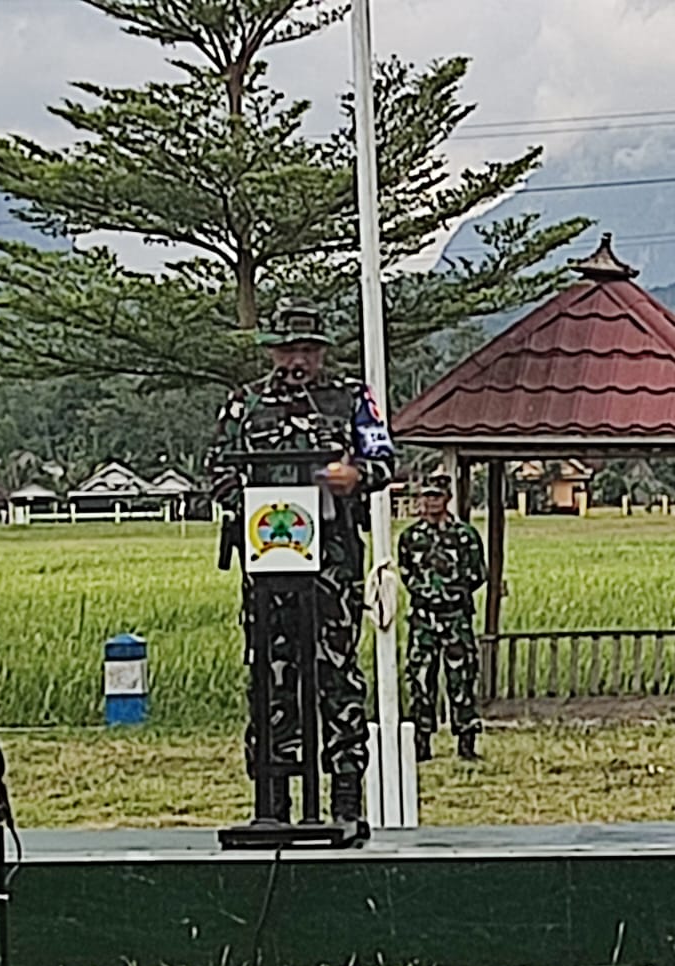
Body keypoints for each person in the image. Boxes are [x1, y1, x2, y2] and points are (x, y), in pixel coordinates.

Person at [209, 297, 395, 823]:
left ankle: (345, 796)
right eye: (288, 350)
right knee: (271, 678)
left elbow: (384, 459)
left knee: (336, 676)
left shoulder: (350, 399)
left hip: (332, 565)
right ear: (272, 351)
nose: (298, 361)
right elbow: (217, 470)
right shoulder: (245, 404)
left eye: (308, 351)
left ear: (322, 353)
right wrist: (246, 503)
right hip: (269, 564)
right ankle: (272, 798)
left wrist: (356, 476)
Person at [397, 471, 487, 761]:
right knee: (420, 680)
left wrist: (451, 591)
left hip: (455, 617)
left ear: (447, 498)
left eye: (436, 496)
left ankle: (466, 741)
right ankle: (422, 743)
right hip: (423, 619)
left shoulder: (464, 535)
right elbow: (406, 572)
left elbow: (477, 573)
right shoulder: (410, 537)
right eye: (426, 496)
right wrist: (427, 592)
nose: (430, 502)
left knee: (462, 678)